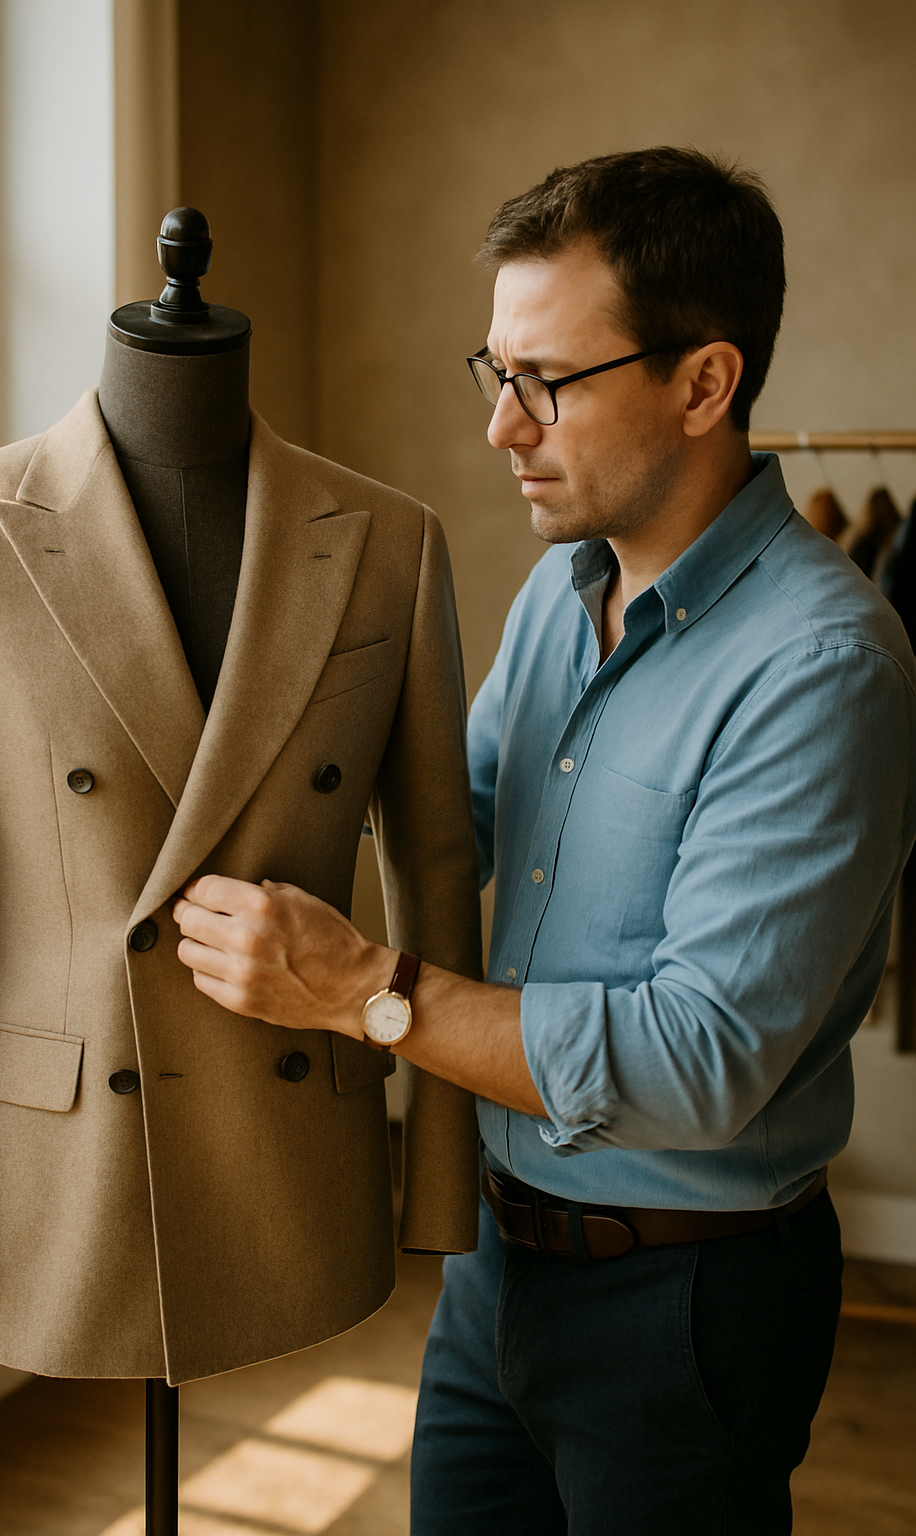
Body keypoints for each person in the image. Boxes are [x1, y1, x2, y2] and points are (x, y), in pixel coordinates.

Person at [171, 148, 916, 1534]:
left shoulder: (825, 667)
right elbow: (447, 819)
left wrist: (356, 991)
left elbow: (700, 1062)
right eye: (493, 372)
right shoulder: (556, 591)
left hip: (689, 1307)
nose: (504, 428)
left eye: (548, 383)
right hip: (495, 1266)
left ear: (705, 383)